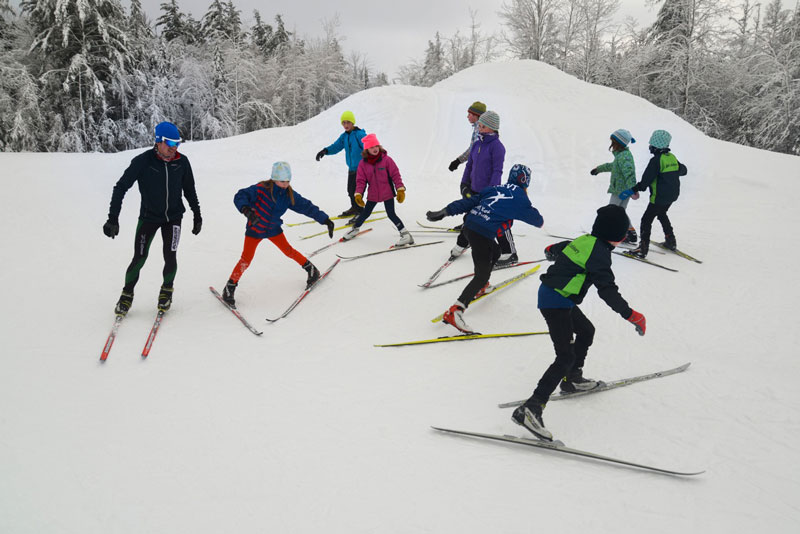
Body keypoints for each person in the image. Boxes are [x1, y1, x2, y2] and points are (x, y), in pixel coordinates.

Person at [510, 205, 646, 441]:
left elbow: (555, 249)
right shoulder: (600, 253)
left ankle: (572, 379)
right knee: (564, 356)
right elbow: (607, 289)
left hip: (557, 296)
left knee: (586, 330)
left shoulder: (586, 240)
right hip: (556, 301)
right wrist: (631, 314)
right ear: (616, 235)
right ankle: (531, 408)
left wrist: (553, 251)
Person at [426, 164, 544, 334]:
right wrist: (527, 206)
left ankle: (481, 287)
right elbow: (537, 220)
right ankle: (456, 311)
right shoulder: (520, 198)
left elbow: (468, 202)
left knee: (495, 252)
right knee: (481, 276)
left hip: (469, 228)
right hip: (481, 234)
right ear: (525, 181)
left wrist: (445, 211)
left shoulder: (495, 189)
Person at [103, 121, 201, 315]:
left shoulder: (182, 162)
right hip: (149, 218)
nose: (174, 148)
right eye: (170, 143)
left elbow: (189, 190)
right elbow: (120, 187)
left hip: (173, 217)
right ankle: (127, 295)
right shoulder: (143, 161)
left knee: (170, 256)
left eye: (177, 144)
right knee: (139, 258)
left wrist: (197, 214)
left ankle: (166, 291)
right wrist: (113, 217)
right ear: (158, 141)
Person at [220, 162, 335, 309]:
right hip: (255, 229)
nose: (285, 184)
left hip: (273, 229)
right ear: (274, 179)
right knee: (246, 259)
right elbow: (240, 195)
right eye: (282, 181)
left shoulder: (288, 195)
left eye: (288, 181)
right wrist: (246, 210)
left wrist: (324, 219)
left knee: (288, 251)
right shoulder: (261, 189)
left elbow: (306, 206)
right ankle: (230, 287)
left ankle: (311, 270)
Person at [451, 110, 518, 266]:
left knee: (498, 221)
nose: (479, 128)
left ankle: (510, 253)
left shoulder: (497, 147)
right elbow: (469, 165)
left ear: (492, 128)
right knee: (469, 218)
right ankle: (463, 243)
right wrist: (464, 184)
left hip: (489, 192)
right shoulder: (477, 144)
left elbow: (497, 171)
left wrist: (491, 192)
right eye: (479, 125)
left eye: (482, 126)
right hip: (474, 190)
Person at [620, 130, 688, 259]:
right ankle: (670, 241)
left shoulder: (656, 161)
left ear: (655, 146)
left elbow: (645, 183)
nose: (649, 147)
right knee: (662, 214)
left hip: (659, 197)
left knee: (646, 220)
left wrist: (632, 190)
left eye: (650, 144)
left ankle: (642, 249)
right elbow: (683, 170)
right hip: (672, 196)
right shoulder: (671, 157)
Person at [342, 133, 413, 247]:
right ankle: (355, 229)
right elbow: (360, 181)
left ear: (379, 146)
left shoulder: (387, 160)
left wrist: (400, 189)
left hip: (387, 192)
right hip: (373, 194)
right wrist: (358, 194)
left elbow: (395, 175)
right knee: (365, 213)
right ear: (366, 149)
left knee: (391, 214)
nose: (374, 149)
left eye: (376, 146)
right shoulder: (363, 164)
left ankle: (405, 235)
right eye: (371, 147)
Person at [315, 110, 367, 219]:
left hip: (362, 168)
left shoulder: (359, 134)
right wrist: (325, 151)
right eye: (344, 123)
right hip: (352, 168)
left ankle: (360, 211)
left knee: (357, 191)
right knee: (350, 190)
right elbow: (336, 146)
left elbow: (368, 146)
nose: (346, 125)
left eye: (348, 122)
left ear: (353, 122)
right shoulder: (344, 136)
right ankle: (355, 207)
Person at [590, 128, 639, 244]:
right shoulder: (622, 156)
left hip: (621, 191)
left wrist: (633, 189)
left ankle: (604, 233)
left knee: (611, 212)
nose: (611, 145)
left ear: (618, 144)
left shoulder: (624, 157)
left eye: (613, 142)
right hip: (623, 189)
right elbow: (613, 166)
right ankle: (630, 232)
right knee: (620, 211)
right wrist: (599, 169)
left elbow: (629, 173)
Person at [448, 101, 486, 174]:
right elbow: (473, 148)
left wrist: (458, 161)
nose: (467, 116)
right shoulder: (477, 128)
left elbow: (474, 150)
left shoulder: (480, 130)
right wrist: (458, 161)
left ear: (476, 115)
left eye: (469, 114)